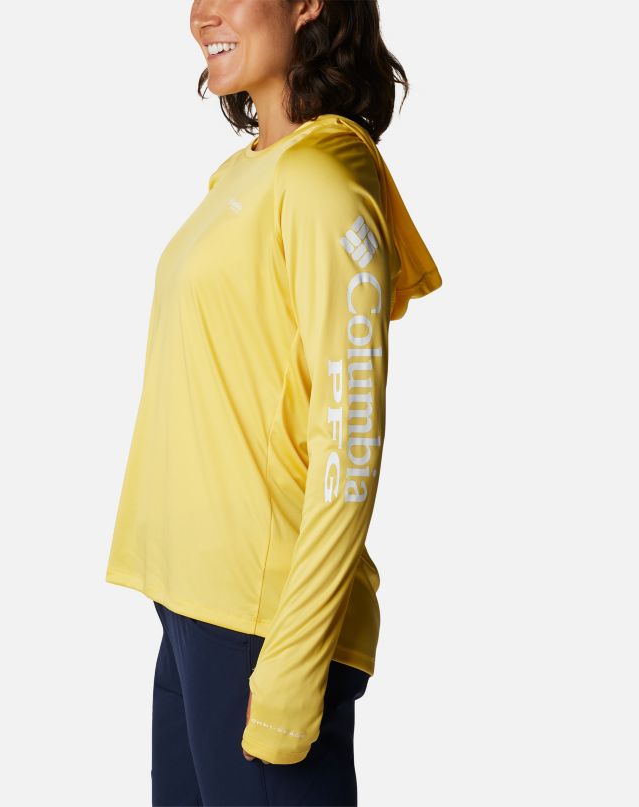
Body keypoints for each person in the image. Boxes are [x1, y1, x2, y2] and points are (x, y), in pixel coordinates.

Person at [105, 0, 443, 803]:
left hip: (266, 627)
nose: (202, 14)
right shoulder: (247, 174)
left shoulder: (324, 183)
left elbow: (349, 440)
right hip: (197, 607)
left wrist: (294, 662)